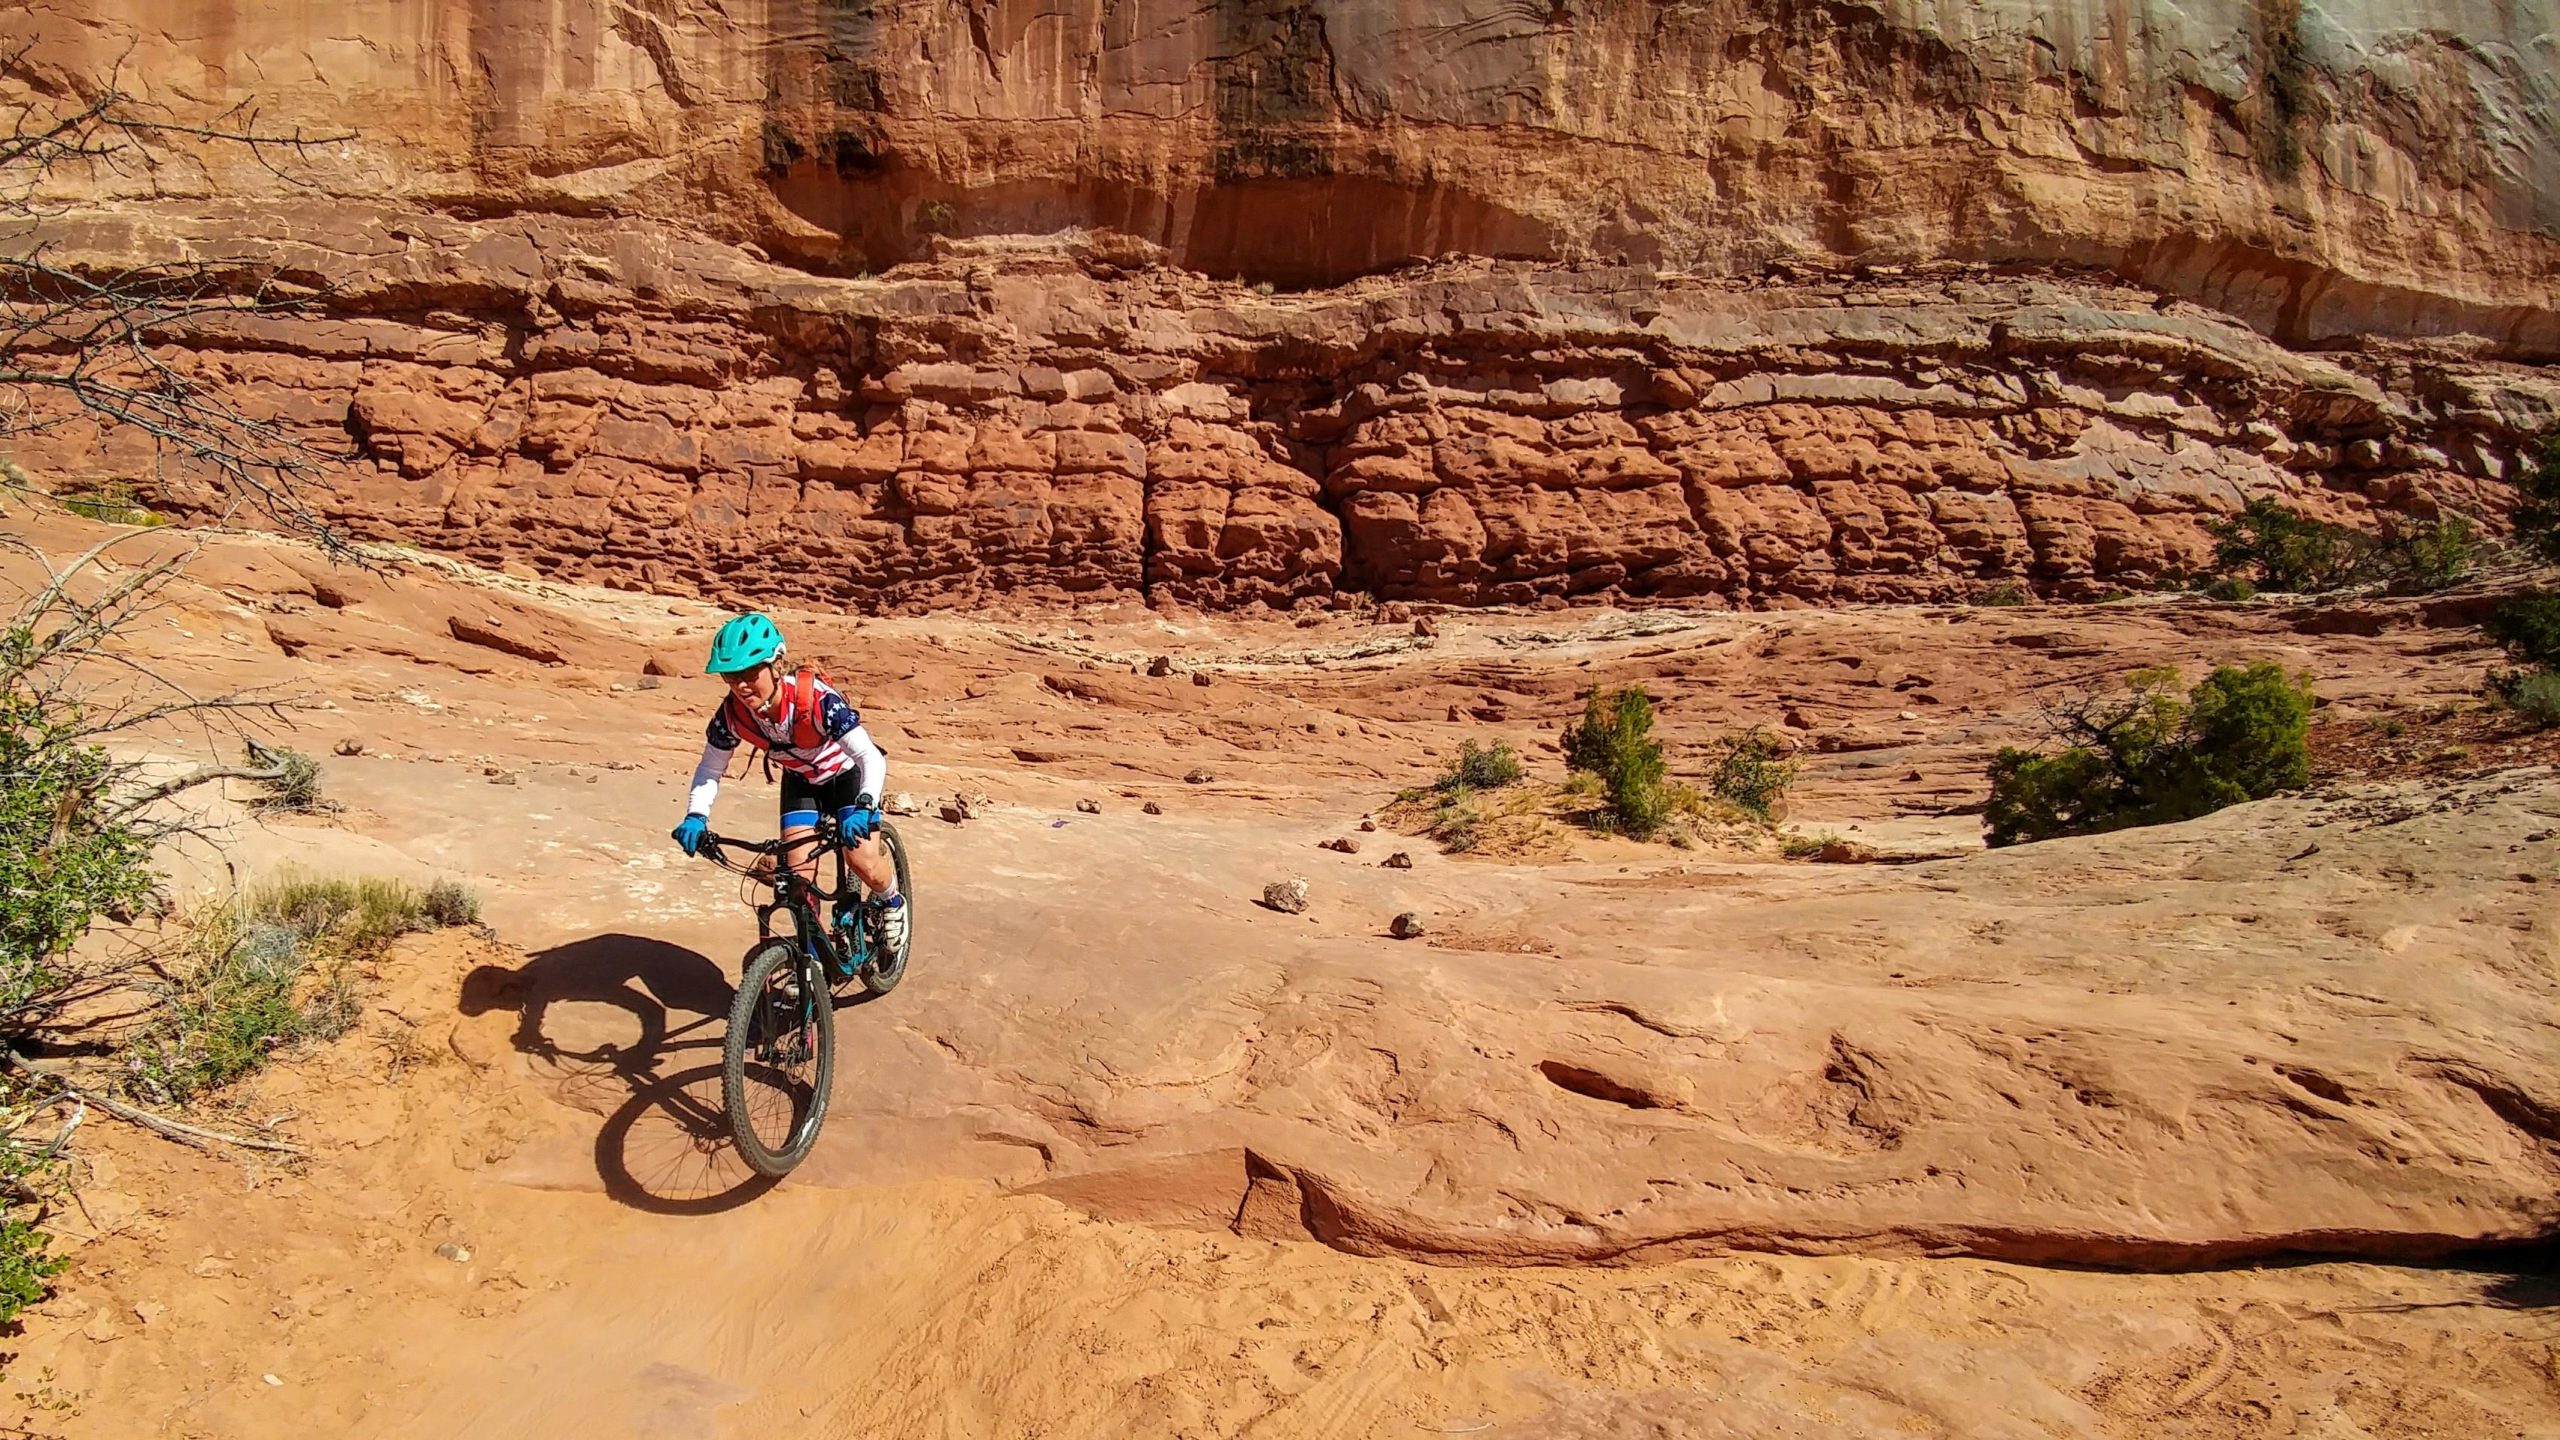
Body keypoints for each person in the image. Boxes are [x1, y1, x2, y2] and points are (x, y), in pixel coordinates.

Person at [670, 612, 906, 958]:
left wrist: (867, 805)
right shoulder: (731, 716)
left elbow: (871, 758)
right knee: (797, 882)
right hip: (802, 784)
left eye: (750, 674)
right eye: (731, 677)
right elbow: (710, 768)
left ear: (776, 665)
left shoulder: (818, 701)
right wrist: (696, 816)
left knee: (861, 860)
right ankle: (811, 962)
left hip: (846, 778)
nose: (741, 686)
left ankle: (892, 901)